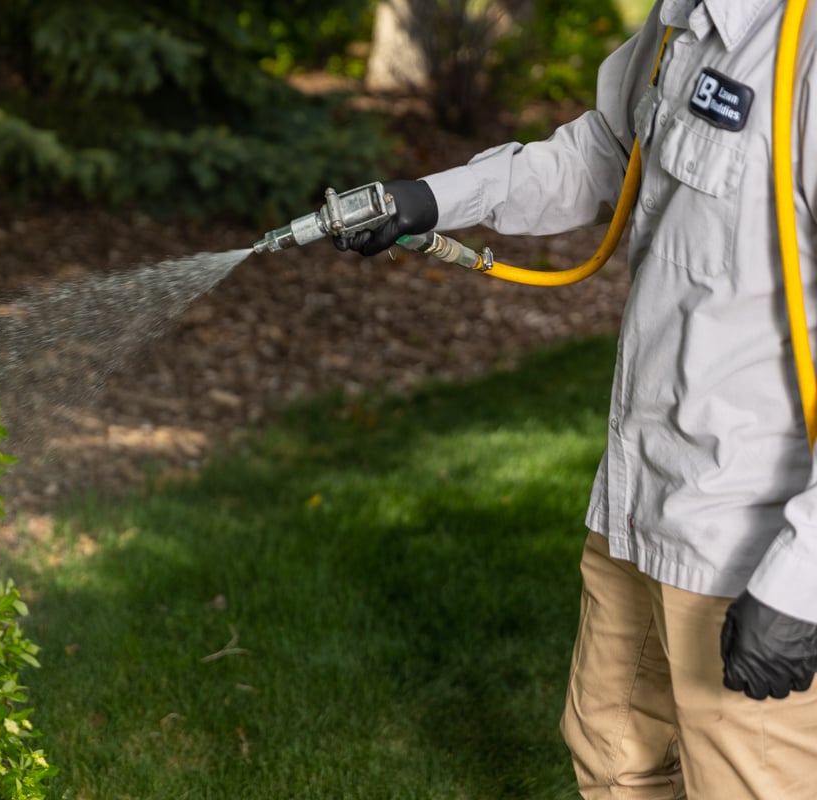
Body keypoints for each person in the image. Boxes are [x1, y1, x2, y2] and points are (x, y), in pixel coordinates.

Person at [337, 1, 817, 797]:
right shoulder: (686, 15)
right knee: (613, 757)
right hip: (642, 500)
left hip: (750, 541)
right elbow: (607, 145)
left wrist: (804, 579)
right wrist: (430, 198)